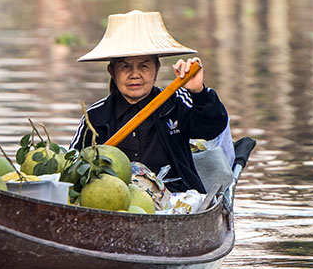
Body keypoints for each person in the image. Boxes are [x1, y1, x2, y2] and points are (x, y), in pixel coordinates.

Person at [69, 10, 231, 193]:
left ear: (157, 68)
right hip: (117, 196)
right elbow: (74, 166)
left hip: (176, 195)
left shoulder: (176, 102)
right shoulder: (95, 116)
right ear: (112, 72)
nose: (135, 74)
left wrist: (198, 92)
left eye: (144, 65)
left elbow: (211, 128)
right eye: (125, 66)